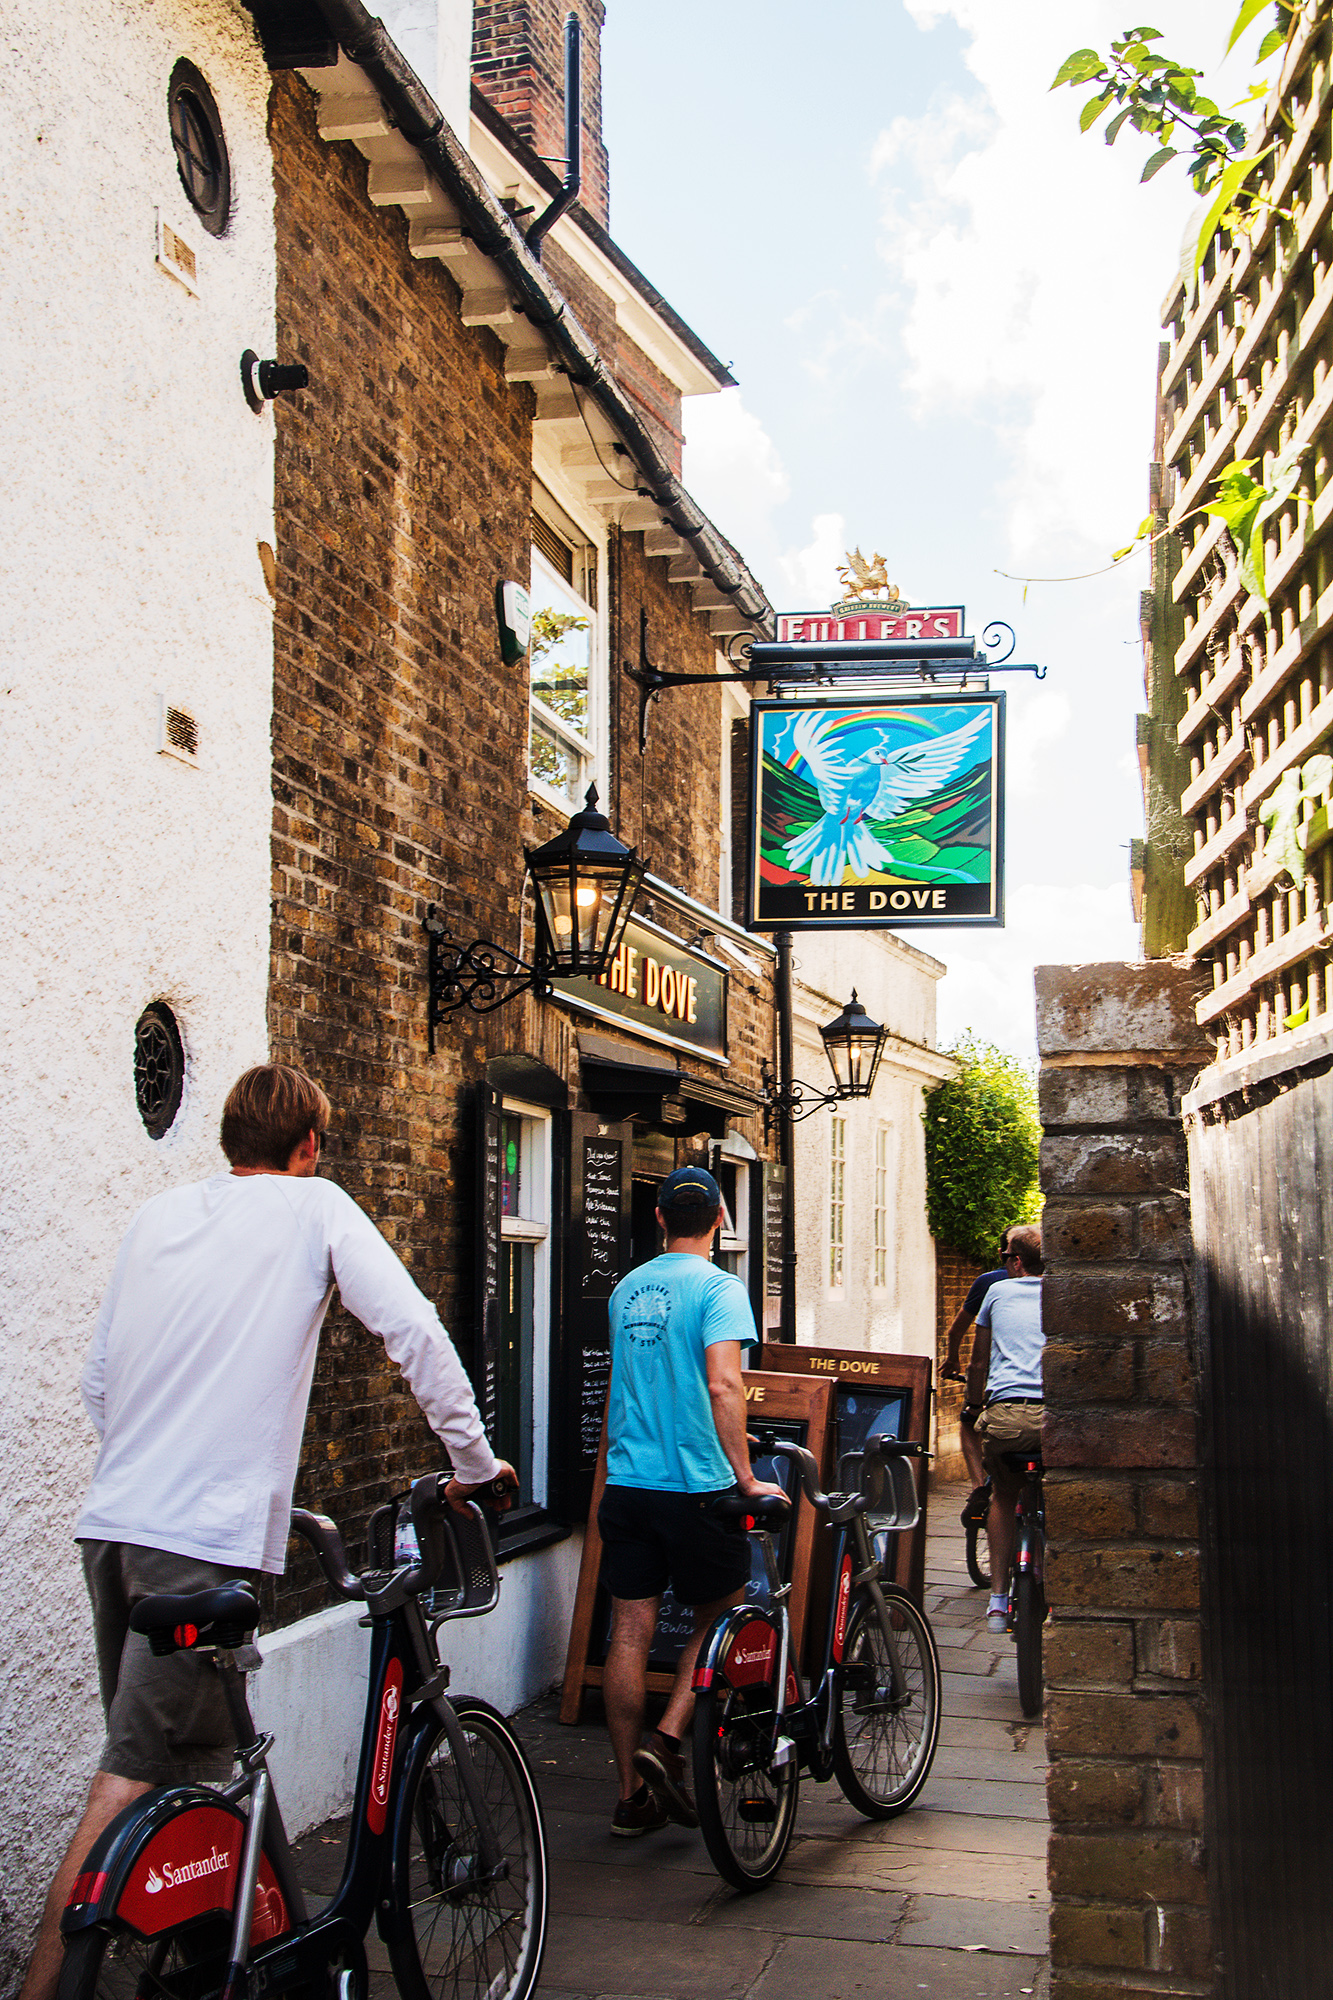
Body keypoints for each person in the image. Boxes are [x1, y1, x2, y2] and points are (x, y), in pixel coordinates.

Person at [20, 1064, 514, 2000]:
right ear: (307, 1145)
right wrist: (476, 1467)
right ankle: (40, 1987)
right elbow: (411, 1331)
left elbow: (97, 1381)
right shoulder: (314, 1209)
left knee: (207, 1756)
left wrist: (172, 1467)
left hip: (113, 1534)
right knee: (129, 1774)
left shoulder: (156, 1219)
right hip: (193, 1545)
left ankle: (263, 1972)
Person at [597, 1165, 785, 1837]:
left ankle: (629, 1797)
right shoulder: (719, 1287)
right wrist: (746, 1476)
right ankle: (669, 1738)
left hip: (627, 1486)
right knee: (721, 1614)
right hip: (697, 1487)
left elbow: (622, 1386)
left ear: (657, 1218)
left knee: (628, 1630)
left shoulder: (624, 1289)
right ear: (718, 1221)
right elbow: (724, 1386)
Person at [971, 1224, 1044, 1634]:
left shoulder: (997, 1293)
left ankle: (998, 1599)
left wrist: (972, 1405)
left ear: (1016, 1261)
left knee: (1002, 1494)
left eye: (1005, 1258)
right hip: (1057, 1420)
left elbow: (979, 1363)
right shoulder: (1063, 1292)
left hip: (1009, 1418)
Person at [940, 1230, 1014, 1532]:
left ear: (1002, 1254)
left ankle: (977, 1486)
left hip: (992, 1377)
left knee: (970, 1422)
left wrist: (952, 1358)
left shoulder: (989, 1283)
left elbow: (957, 1329)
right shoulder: (1049, 1281)